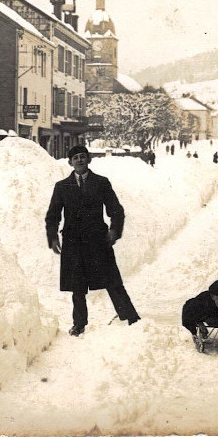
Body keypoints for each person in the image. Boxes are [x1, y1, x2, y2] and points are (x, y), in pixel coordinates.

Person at [45, 144, 140, 336]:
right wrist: (53, 237)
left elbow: (116, 210)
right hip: (73, 242)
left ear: (89, 159)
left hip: (98, 240)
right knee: (77, 286)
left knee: (112, 280)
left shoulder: (101, 183)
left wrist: (114, 230)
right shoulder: (62, 186)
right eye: (75, 158)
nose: (79, 160)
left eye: (83, 156)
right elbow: (53, 215)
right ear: (70, 162)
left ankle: (131, 317)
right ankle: (79, 324)